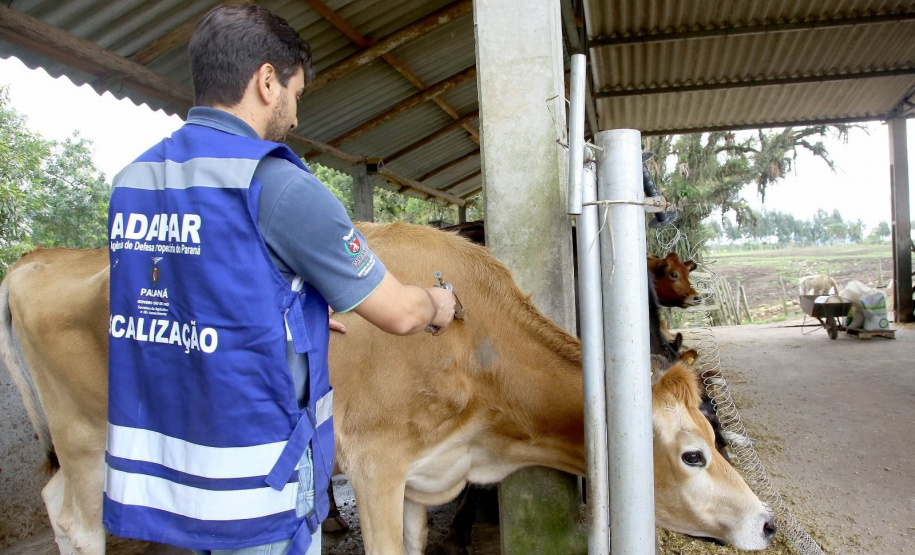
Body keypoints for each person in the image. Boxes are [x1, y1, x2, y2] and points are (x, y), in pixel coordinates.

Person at [103, 5, 456, 555]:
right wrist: (440, 302)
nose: (294, 116)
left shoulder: (135, 179)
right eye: (295, 93)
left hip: (171, 486)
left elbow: (193, 291)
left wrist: (298, 309)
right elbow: (399, 313)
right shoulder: (277, 183)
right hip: (255, 491)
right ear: (267, 81)